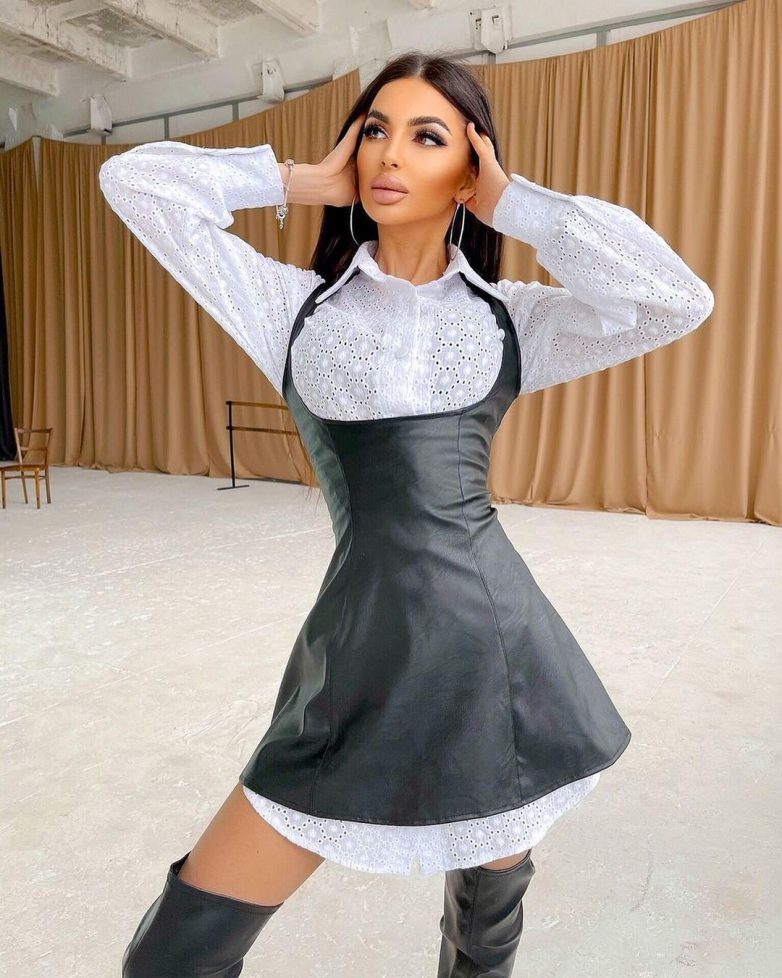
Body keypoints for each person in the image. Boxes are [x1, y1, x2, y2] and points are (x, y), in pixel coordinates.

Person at [99, 51, 715, 978]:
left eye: (427, 136)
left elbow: (679, 299)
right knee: (171, 959)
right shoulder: (289, 308)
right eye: (376, 130)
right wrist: (296, 179)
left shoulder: (513, 319)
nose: (389, 154)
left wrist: (515, 205)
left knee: (483, 944)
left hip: (497, 660)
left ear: (469, 167)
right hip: (357, 659)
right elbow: (132, 182)